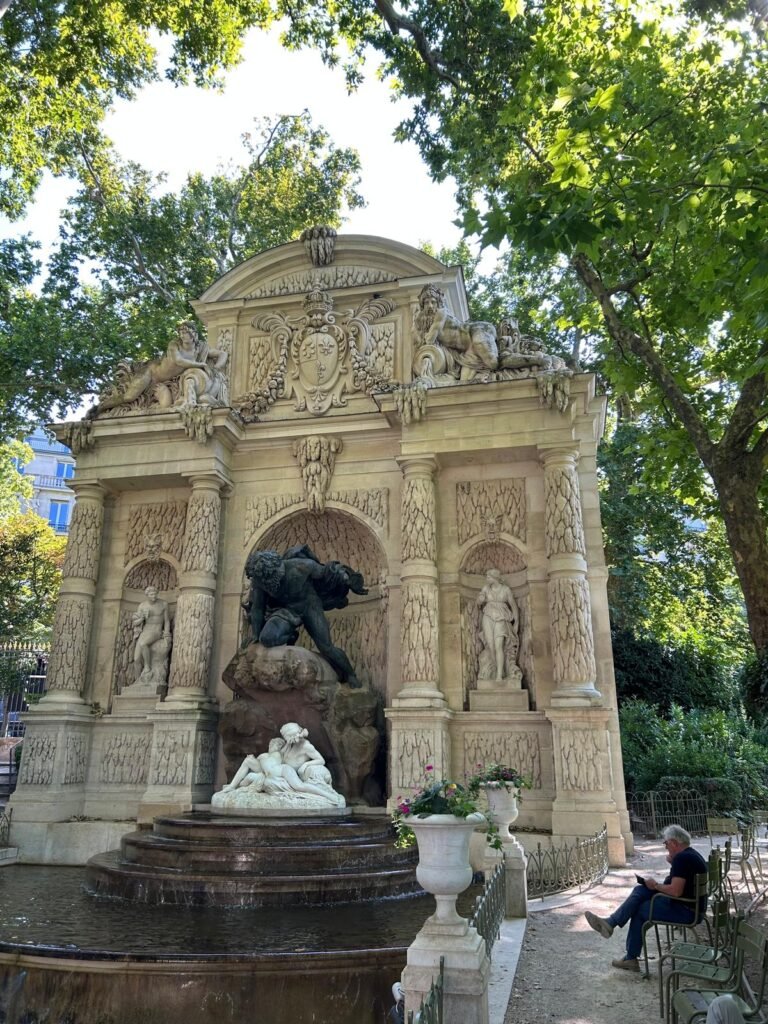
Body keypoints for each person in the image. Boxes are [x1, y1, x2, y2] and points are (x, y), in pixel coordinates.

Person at [584, 824, 707, 971]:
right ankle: (611, 924)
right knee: (641, 890)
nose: (665, 847)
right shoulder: (691, 855)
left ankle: (629, 955)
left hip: (687, 911)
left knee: (640, 910)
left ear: (674, 843)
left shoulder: (682, 858)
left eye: (666, 843)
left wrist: (655, 885)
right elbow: (678, 886)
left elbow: (675, 891)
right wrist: (670, 866)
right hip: (692, 907)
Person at [243, 545, 366, 687]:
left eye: (266, 579)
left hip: (310, 607)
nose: (264, 583)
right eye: (260, 580)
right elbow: (258, 608)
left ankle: (350, 674)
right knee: (267, 638)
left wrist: (346, 579)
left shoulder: (302, 566)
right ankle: (290, 635)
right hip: (286, 610)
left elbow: (328, 573)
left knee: (327, 647)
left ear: (273, 571)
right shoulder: (260, 580)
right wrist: (255, 635)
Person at [476, 568, 519, 681]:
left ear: (495, 578)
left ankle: (499, 674)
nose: (487, 579)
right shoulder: (485, 588)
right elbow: (479, 602)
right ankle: (498, 670)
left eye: (488, 577)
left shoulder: (506, 590)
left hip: (501, 617)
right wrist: (480, 599)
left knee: (498, 645)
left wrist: (516, 622)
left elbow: (513, 606)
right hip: (488, 617)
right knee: (490, 646)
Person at [131, 586, 171, 682]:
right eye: (151, 594)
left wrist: (167, 634)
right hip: (145, 631)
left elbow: (167, 621)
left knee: (143, 643)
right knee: (136, 659)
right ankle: (138, 682)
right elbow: (135, 623)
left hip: (156, 630)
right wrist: (142, 618)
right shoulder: (142, 606)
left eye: (155, 594)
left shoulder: (163, 604)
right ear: (147, 595)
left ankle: (147, 667)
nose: (154, 596)